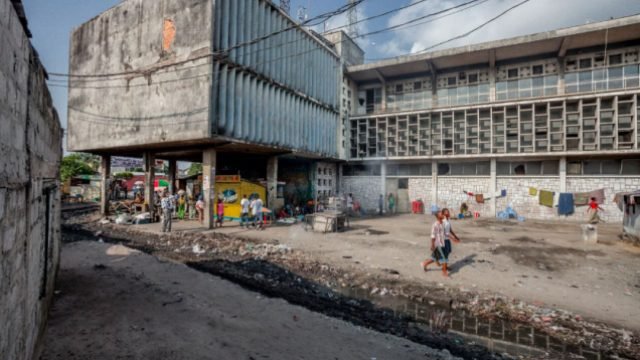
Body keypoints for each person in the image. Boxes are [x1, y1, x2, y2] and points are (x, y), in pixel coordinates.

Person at [421, 211, 449, 277]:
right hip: (438, 244)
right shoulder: (435, 225)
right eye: (441, 214)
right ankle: (444, 272)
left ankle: (425, 263)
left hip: (443, 243)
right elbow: (433, 235)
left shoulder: (443, 223)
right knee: (444, 258)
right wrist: (432, 244)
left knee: (435, 258)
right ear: (437, 216)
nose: (443, 214)